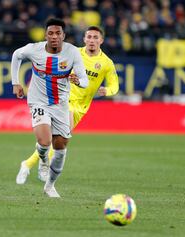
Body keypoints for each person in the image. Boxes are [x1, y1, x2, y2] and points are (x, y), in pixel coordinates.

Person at [16, 26, 119, 184]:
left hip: (82, 107)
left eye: (95, 37)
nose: (92, 40)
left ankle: (28, 164)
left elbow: (115, 85)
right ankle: (39, 169)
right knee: (58, 138)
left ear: (101, 40)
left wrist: (107, 90)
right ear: (84, 39)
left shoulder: (106, 63)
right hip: (63, 100)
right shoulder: (73, 53)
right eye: (89, 37)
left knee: (56, 139)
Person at [11, 18, 89, 197]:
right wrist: (16, 83)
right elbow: (16, 55)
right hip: (38, 101)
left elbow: (84, 79)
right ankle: (43, 160)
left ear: (64, 35)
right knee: (45, 141)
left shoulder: (72, 53)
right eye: (51, 33)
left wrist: (79, 81)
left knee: (61, 148)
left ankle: (50, 185)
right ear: (45, 35)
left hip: (61, 104)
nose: (54, 37)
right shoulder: (34, 49)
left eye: (58, 33)